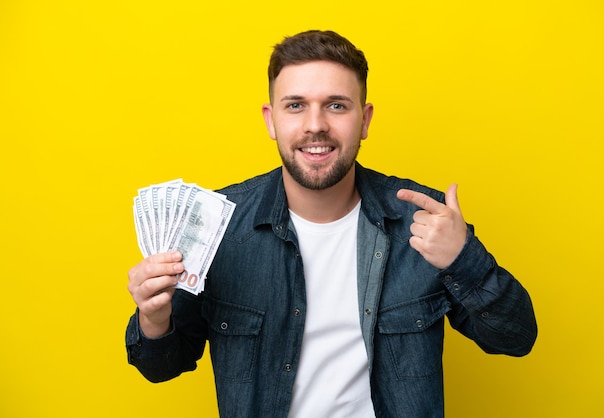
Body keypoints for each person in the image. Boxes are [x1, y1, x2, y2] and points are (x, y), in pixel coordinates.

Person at [125, 30, 537, 418]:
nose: (315, 124)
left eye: (336, 105)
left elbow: (516, 338)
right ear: (271, 120)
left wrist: (464, 260)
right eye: (296, 105)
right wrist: (154, 319)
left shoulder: (424, 222)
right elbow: (161, 366)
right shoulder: (218, 225)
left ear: (365, 119)